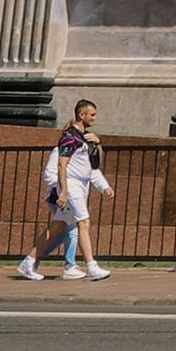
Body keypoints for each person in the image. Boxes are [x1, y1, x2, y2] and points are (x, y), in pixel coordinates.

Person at [20, 99, 109, 283]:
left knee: (59, 225)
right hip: (71, 189)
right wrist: (64, 192)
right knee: (83, 222)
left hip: (79, 189)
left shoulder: (85, 138)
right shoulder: (70, 137)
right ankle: (91, 266)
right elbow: (61, 165)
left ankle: (29, 261)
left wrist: (98, 143)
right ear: (81, 114)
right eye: (91, 115)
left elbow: (93, 166)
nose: (94, 118)